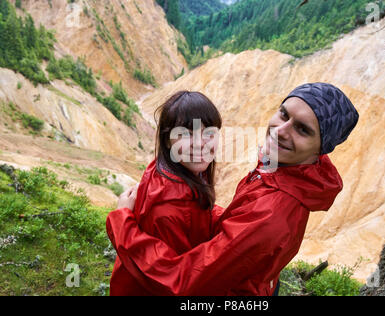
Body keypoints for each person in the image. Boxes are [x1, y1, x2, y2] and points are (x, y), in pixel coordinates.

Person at [106, 82, 359, 296]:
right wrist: (202, 207)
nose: (280, 131)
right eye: (284, 114)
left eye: (302, 129)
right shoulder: (286, 168)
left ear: (319, 149)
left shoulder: (270, 216)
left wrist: (122, 224)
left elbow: (183, 282)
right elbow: (240, 228)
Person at [109, 91, 222, 296]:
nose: (199, 143)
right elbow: (172, 279)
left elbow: (196, 214)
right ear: (168, 140)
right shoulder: (167, 210)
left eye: (209, 133)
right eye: (186, 133)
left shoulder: (174, 169)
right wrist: (121, 221)